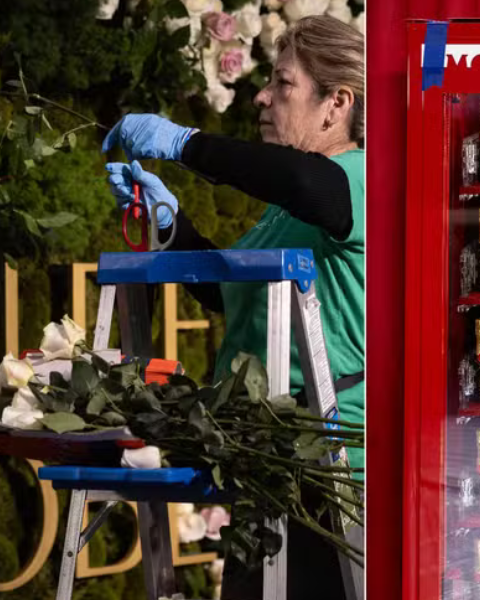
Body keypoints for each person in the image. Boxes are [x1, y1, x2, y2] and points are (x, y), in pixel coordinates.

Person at [101, 14, 363, 599]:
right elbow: (230, 295)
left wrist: (184, 143)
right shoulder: (284, 211)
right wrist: (170, 225)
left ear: (336, 104)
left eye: (283, 83)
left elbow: (302, 181)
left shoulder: (357, 179)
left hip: (329, 471)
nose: (263, 98)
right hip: (257, 456)